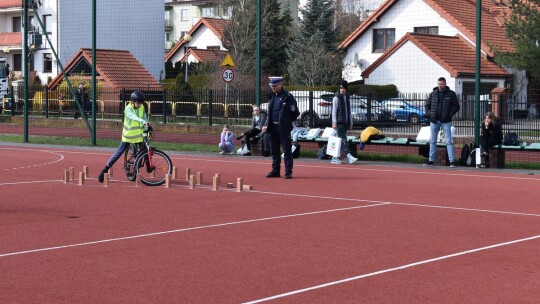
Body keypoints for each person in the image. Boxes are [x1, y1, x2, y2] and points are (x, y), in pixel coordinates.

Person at [98, 91, 150, 182]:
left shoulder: (141, 107)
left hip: (139, 135)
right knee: (119, 152)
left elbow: (144, 117)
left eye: (141, 102)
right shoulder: (128, 109)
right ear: (133, 101)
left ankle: (149, 166)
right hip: (128, 136)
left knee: (146, 149)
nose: (140, 104)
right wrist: (142, 121)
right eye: (138, 102)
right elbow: (134, 117)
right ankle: (105, 169)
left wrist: (147, 125)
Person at [262, 76, 299, 179]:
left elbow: (295, 112)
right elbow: (270, 112)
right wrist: (266, 125)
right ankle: (275, 170)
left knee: (286, 150)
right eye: (271, 86)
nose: (272, 87)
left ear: (280, 84)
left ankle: (288, 171)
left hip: (283, 127)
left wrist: (287, 122)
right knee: (274, 150)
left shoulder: (287, 96)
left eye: (274, 85)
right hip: (272, 126)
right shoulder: (272, 96)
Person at [424, 77, 460, 167]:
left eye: (442, 84)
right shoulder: (433, 93)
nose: (440, 86)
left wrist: (450, 114)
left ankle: (452, 161)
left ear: (445, 84)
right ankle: (431, 160)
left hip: (446, 121)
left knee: (448, 141)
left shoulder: (451, 94)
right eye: (439, 84)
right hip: (434, 121)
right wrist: (430, 113)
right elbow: (427, 105)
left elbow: (457, 106)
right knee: (432, 141)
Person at [330, 80, 358, 164]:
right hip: (339, 122)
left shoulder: (347, 97)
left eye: (344, 88)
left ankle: (334, 157)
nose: (342, 90)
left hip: (345, 122)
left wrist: (350, 122)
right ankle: (349, 156)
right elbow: (334, 111)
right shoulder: (336, 97)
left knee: (339, 140)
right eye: (341, 88)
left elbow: (348, 111)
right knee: (344, 139)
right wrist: (334, 122)